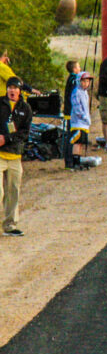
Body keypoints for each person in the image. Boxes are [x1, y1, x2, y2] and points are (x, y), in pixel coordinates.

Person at [0, 77, 32, 236]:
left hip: (14, 155)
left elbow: (25, 133)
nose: (12, 90)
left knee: (13, 191)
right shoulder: (0, 103)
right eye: (10, 87)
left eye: (15, 88)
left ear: (20, 90)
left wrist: (7, 139)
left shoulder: (25, 108)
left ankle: (9, 226)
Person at [68, 71, 94, 169]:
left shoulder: (85, 93)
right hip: (78, 122)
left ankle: (78, 161)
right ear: (79, 81)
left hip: (84, 123)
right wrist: (84, 116)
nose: (86, 84)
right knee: (77, 142)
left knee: (81, 143)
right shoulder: (76, 92)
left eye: (87, 81)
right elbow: (77, 107)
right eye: (83, 81)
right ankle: (75, 163)